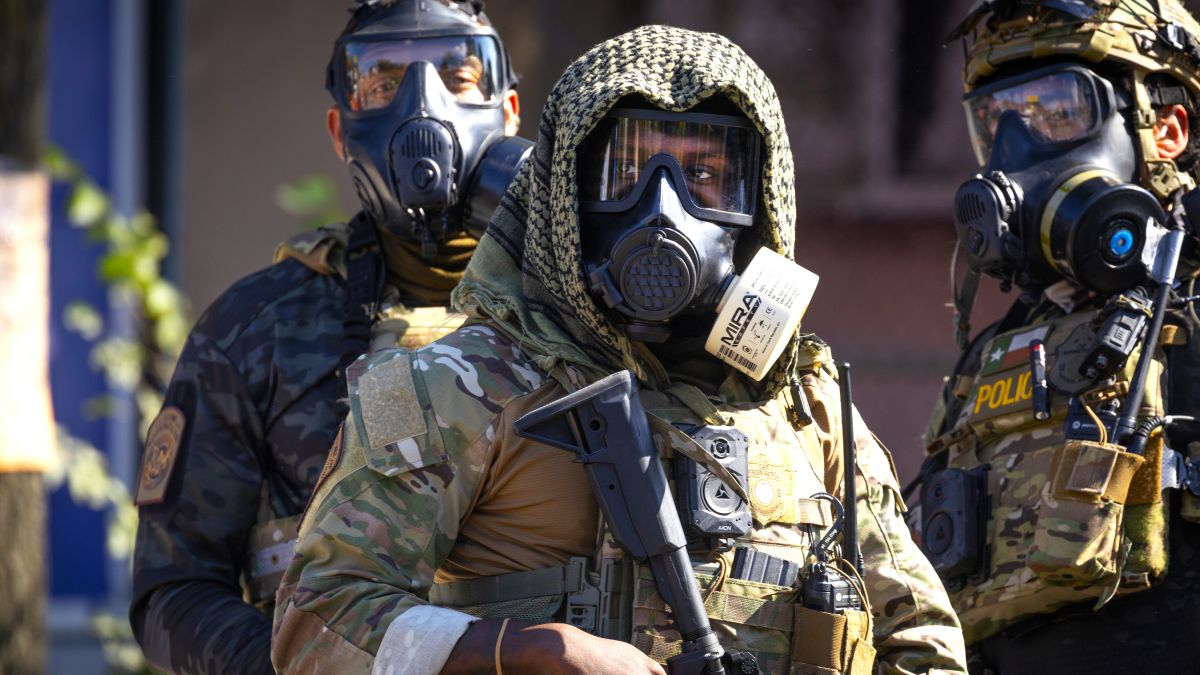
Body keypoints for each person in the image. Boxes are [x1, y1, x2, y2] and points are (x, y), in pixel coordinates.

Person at [271, 25, 967, 675]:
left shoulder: (810, 411)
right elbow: (318, 620)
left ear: (758, 204)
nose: (663, 206)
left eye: (706, 176)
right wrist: (534, 649)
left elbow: (924, 642)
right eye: (626, 170)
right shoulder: (451, 386)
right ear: (566, 194)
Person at [128, 1, 530, 673]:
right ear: (341, 129)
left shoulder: (578, 315)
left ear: (509, 112)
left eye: (458, 78)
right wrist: (300, 664)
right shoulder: (258, 330)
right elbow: (172, 591)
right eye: (384, 81)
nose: (423, 107)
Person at [914, 0, 1200, 671]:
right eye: (997, 122)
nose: (1016, 156)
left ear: (1167, 128)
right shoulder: (992, 356)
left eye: (1057, 112)